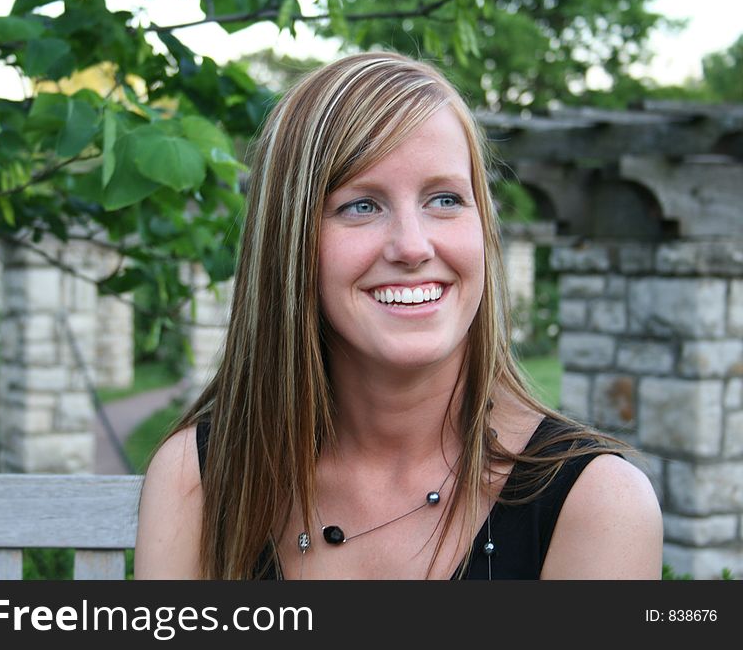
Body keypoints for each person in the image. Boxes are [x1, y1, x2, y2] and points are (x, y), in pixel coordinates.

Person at [135, 51, 663, 580]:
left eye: (444, 199)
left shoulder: (597, 504)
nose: (412, 247)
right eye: (361, 205)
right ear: (288, 243)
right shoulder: (199, 479)